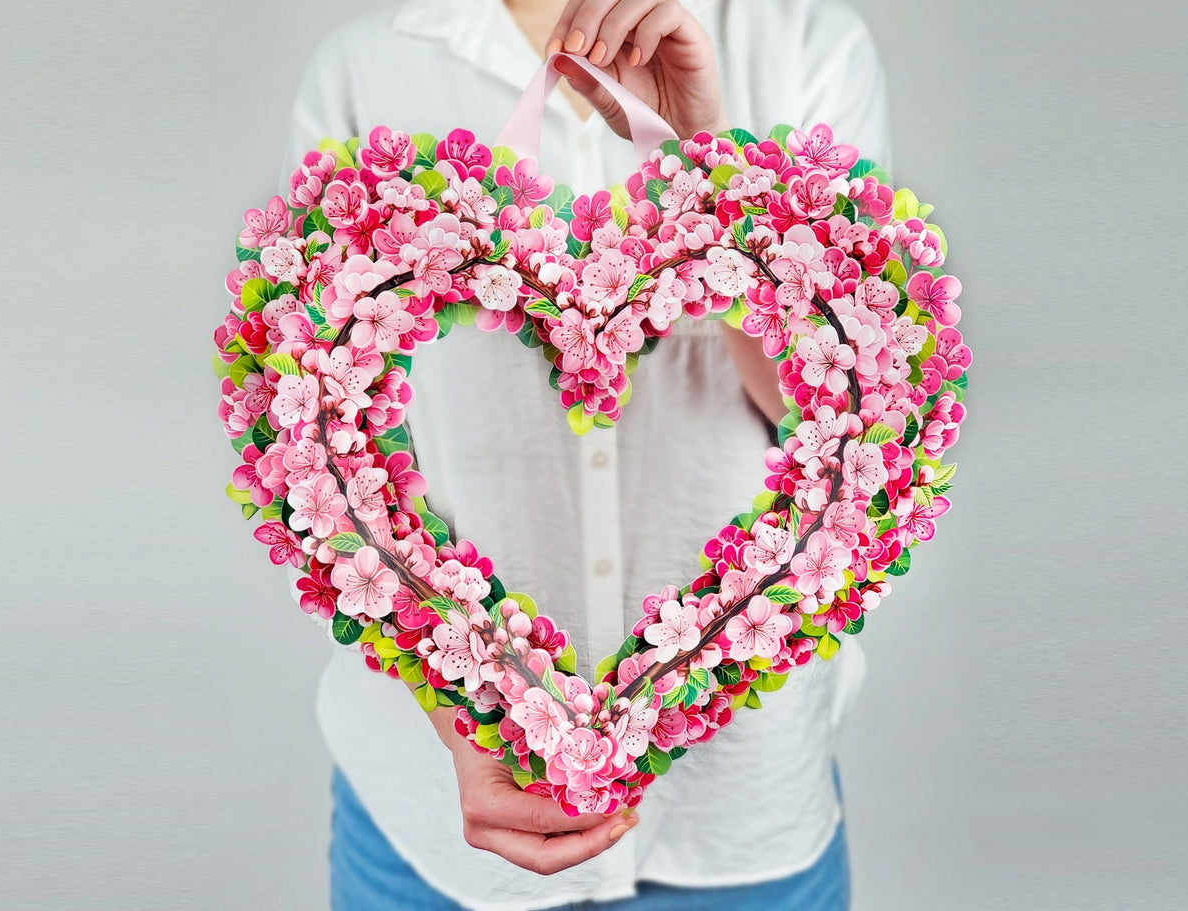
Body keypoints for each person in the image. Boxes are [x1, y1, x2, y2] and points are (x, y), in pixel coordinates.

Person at [277, 1, 891, 907]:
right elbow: (317, 441)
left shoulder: (798, 41)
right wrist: (465, 712)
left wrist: (715, 172)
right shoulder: (365, 69)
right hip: (430, 818)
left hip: (737, 813)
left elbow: (842, 417)